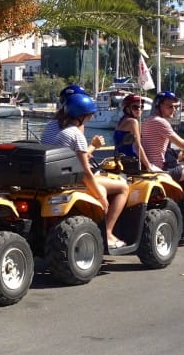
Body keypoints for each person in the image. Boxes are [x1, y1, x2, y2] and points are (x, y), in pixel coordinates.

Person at [52, 92, 131, 248]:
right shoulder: (76, 135)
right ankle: (108, 233)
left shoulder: (61, 131)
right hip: (74, 181)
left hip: (61, 178)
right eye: (90, 114)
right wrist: (101, 197)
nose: (91, 117)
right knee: (123, 187)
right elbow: (86, 172)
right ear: (83, 115)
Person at [141, 90, 184, 225]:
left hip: (150, 166)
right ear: (159, 106)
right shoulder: (161, 122)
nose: (174, 109)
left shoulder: (147, 121)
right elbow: (183, 144)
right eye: (170, 106)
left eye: (176, 106)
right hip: (161, 168)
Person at [112, 94, 162, 174]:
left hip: (120, 161)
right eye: (135, 107)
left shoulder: (121, 121)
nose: (139, 110)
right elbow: (138, 146)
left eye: (141, 107)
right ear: (127, 108)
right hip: (131, 163)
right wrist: (148, 166)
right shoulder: (133, 122)